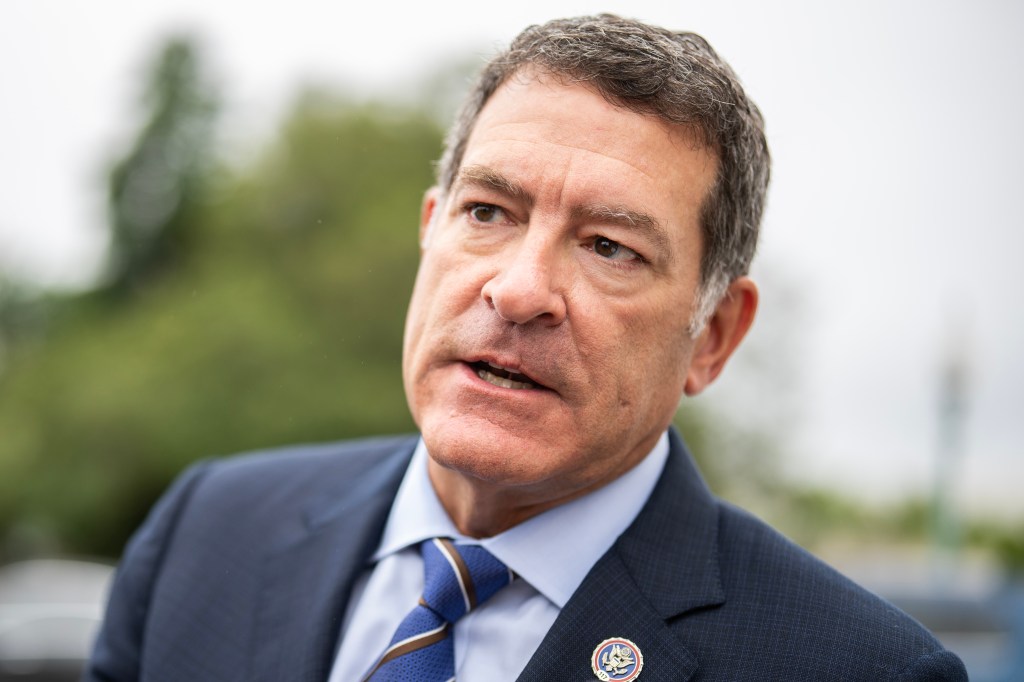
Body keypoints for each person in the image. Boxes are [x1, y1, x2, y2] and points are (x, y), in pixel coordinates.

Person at [85, 13, 967, 682]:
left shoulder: (851, 667)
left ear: (714, 337)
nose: (517, 289)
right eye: (489, 213)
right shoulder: (204, 537)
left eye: (610, 247)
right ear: (431, 232)